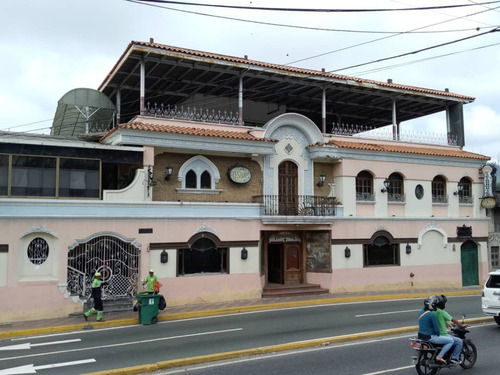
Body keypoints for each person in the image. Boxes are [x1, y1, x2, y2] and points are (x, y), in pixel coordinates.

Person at [417, 296, 454, 364]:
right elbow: (437, 330)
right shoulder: (432, 315)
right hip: (430, 337)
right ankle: (440, 356)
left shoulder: (421, 312)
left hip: (420, 336)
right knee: (450, 340)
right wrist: (439, 335)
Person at [433, 295, 464, 365]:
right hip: (442, 334)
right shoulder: (441, 312)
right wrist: (461, 325)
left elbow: (442, 321)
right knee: (459, 341)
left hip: (434, 334)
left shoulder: (432, 312)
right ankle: (454, 358)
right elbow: (453, 320)